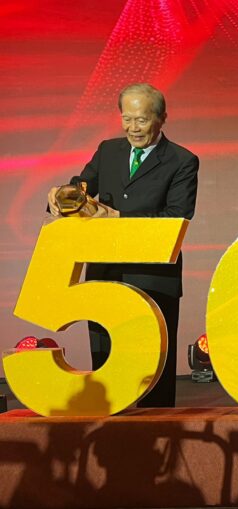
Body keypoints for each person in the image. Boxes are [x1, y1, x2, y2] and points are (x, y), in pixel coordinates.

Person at [47, 83, 199, 408]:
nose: (133, 128)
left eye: (141, 120)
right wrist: (60, 196)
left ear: (161, 118)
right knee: (106, 377)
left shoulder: (182, 160)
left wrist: (119, 217)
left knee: (152, 376)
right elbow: (81, 188)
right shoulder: (108, 150)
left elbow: (177, 217)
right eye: (126, 119)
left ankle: (157, 436)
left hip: (153, 280)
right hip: (105, 277)